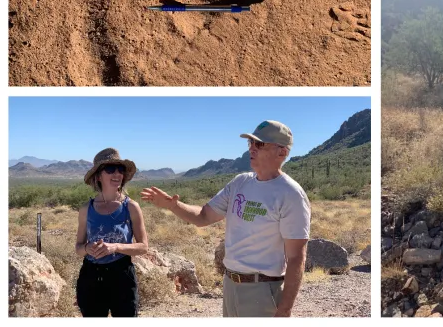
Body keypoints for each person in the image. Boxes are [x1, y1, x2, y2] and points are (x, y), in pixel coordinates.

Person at [141, 120, 310, 318]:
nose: (252, 148)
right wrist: (172, 205)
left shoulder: (291, 194)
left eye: (260, 144)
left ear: (282, 152)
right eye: (250, 143)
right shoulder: (240, 182)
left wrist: (285, 309)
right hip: (230, 284)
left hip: (263, 290)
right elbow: (203, 217)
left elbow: (296, 257)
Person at [75, 149, 149, 318]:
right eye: (110, 169)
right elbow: (78, 248)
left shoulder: (131, 207)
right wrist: (88, 248)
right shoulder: (86, 208)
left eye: (120, 169)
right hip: (91, 276)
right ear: (98, 176)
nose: (116, 174)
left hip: (121, 275)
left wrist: (115, 247)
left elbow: (143, 246)